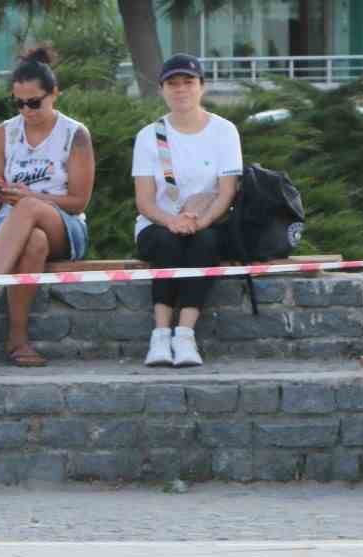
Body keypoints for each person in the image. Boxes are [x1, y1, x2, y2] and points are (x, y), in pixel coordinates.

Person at [0, 47, 93, 367]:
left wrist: (31, 198)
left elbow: (79, 201)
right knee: (33, 241)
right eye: (19, 103)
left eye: (34, 102)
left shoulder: (74, 133)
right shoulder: (3, 132)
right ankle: (18, 341)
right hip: (8, 225)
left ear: (54, 94)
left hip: (65, 225)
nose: (27, 110)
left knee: (28, 207)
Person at [131, 53, 242, 369]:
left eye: (188, 82)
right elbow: (145, 201)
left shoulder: (224, 131)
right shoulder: (150, 136)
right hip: (158, 224)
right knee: (166, 243)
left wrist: (201, 221)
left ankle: (185, 334)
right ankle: (161, 334)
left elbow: (227, 190)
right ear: (162, 90)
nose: (181, 90)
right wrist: (172, 221)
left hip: (206, 222)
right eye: (173, 83)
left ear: (202, 87)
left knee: (205, 243)